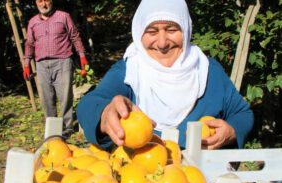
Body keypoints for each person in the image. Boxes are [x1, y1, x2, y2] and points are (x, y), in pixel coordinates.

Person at [76, 0, 254, 150]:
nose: (162, 43)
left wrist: (232, 131)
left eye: (171, 30)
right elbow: (89, 105)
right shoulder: (129, 71)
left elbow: (241, 113)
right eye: (152, 32)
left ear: (185, 30)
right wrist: (105, 114)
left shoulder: (208, 71)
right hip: (141, 182)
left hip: (201, 181)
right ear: (139, 34)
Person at [24, 0, 88, 138]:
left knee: (65, 96)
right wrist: (26, 63)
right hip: (41, 64)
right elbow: (29, 43)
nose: (44, 4)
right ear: (36, 3)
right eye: (40, 1)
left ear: (52, 1)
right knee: (46, 98)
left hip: (62, 61)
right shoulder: (33, 22)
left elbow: (74, 36)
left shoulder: (63, 17)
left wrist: (82, 56)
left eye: (46, 0)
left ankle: (67, 128)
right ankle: (52, 129)